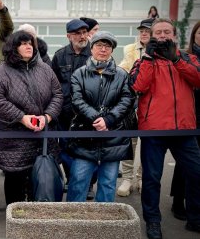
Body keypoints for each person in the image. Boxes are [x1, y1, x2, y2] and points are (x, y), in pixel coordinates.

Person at [130, 18, 200, 239]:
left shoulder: (188, 58)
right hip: (154, 130)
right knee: (151, 179)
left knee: (197, 174)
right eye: (158, 32)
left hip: (184, 129)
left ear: (174, 35)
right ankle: (153, 222)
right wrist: (149, 58)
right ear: (151, 36)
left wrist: (176, 59)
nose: (162, 36)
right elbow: (138, 87)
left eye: (166, 32)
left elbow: (198, 79)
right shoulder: (143, 61)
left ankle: (196, 218)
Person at [0, 31, 63, 205]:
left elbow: (57, 94)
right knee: (16, 180)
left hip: (42, 136)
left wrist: (47, 116)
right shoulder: (1, 72)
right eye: (23, 43)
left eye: (30, 43)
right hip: (14, 138)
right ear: (14, 47)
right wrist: (21, 117)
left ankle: (37, 217)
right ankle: (16, 217)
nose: (28, 46)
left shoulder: (44, 69)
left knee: (41, 178)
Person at [66, 31, 134, 203]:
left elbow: (127, 99)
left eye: (107, 46)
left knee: (108, 183)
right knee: (78, 182)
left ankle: (103, 223)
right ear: (92, 48)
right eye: (99, 45)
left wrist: (109, 119)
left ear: (112, 50)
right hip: (85, 135)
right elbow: (77, 100)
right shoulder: (79, 74)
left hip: (113, 137)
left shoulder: (121, 74)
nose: (103, 49)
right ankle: (73, 221)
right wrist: (96, 119)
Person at [50, 19, 96, 199]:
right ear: (69, 36)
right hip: (65, 113)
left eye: (84, 32)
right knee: (66, 148)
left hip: (88, 112)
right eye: (77, 33)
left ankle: (89, 183)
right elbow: (53, 84)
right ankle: (71, 179)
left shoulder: (95, 53)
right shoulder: (60, 55)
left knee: (88, 148)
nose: (82, 36)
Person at [116, 18, 154, 197]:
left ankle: (141, 177)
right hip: (132, 100)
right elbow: (124, 67)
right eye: (141, 31)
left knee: (149, 142)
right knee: (129, 141)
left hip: (152, 102)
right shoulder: (129, 49)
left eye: (147, 30)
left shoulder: (160, 50)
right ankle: (127, 178)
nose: (144, 33)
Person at [169, 20, 200, 221]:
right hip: (192, 112)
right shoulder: (187, 56)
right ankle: (178, 201)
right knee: (186, 162)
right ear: (194, 36)